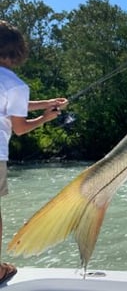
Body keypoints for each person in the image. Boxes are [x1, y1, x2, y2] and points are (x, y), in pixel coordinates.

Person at [0, 20, 68, 285]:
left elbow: (12, 105)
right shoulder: (15, 84)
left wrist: (47, 103)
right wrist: (45, 118)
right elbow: (19, 127)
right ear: (17, 51)